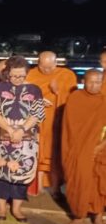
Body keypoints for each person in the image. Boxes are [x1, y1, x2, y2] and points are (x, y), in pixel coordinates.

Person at [0, 55, 45, 221]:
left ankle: (17, 208)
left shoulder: (35, 90)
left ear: (27, 73)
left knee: (21, 170)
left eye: (21, 76)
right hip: (1, 135)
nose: (17, 79)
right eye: (13, 75)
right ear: (7, 73)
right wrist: (9, 129)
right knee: (1, 169)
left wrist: (22, 129)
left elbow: (37, 114)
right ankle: (1, 206)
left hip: (26, 138)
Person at [25, 51, 78, 192]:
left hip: (56, 121)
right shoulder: (30, 74)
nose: (47, 70)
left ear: (56, 63)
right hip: (36, 122)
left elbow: (73, 100)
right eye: (43, 67)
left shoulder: (67, 75)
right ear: (38, 63)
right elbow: (24, 95)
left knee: (55, 154)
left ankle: (55, 189)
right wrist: (37, 100)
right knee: (37, 152)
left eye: (50, 67)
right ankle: (37, 186)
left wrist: (58, 92)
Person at [61, 69, 105, 224]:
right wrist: (80, 147)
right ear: (83, 81)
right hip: (78, 149)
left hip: (100, 149)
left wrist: (101, 145)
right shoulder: (75, 99)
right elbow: (69, 128)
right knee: (79, 180)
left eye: (98, 82)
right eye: (91, 82)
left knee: (98, 182)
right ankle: (78, 214)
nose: (94, 86)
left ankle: (98, 216)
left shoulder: (104, 101)